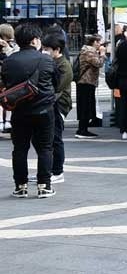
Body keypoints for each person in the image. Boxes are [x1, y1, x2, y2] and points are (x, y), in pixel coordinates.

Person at [3, 23, 57, 197]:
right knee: (45, 148)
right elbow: (55, 83)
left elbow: (6, 83)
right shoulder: (47, 59)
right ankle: (44, 186)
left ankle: (21, 186)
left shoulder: (9, 61)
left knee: (19, 149)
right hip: (44, 110)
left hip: (19, 111)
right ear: (35, 40)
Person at [43, 32, 72, 184]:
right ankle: (49, 170)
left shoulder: (64, 65)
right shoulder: (54, 62)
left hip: (59, 104)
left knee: (56, 139)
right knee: (49, 139)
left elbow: (58, 87)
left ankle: (58, 171)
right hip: (52, 103)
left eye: (47, 48)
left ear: (57, 49)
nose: (45, 51)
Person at [75, 34, 105, 137]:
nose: (99, 44)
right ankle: (82, 129)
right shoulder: (89, 51)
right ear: (93, 42)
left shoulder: (88, 50)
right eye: (98, 42)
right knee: (85, 106)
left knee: (86, 105)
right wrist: (102, 54)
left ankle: (83, 128)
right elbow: (98, 63)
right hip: (86, 81)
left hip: (87, 81)